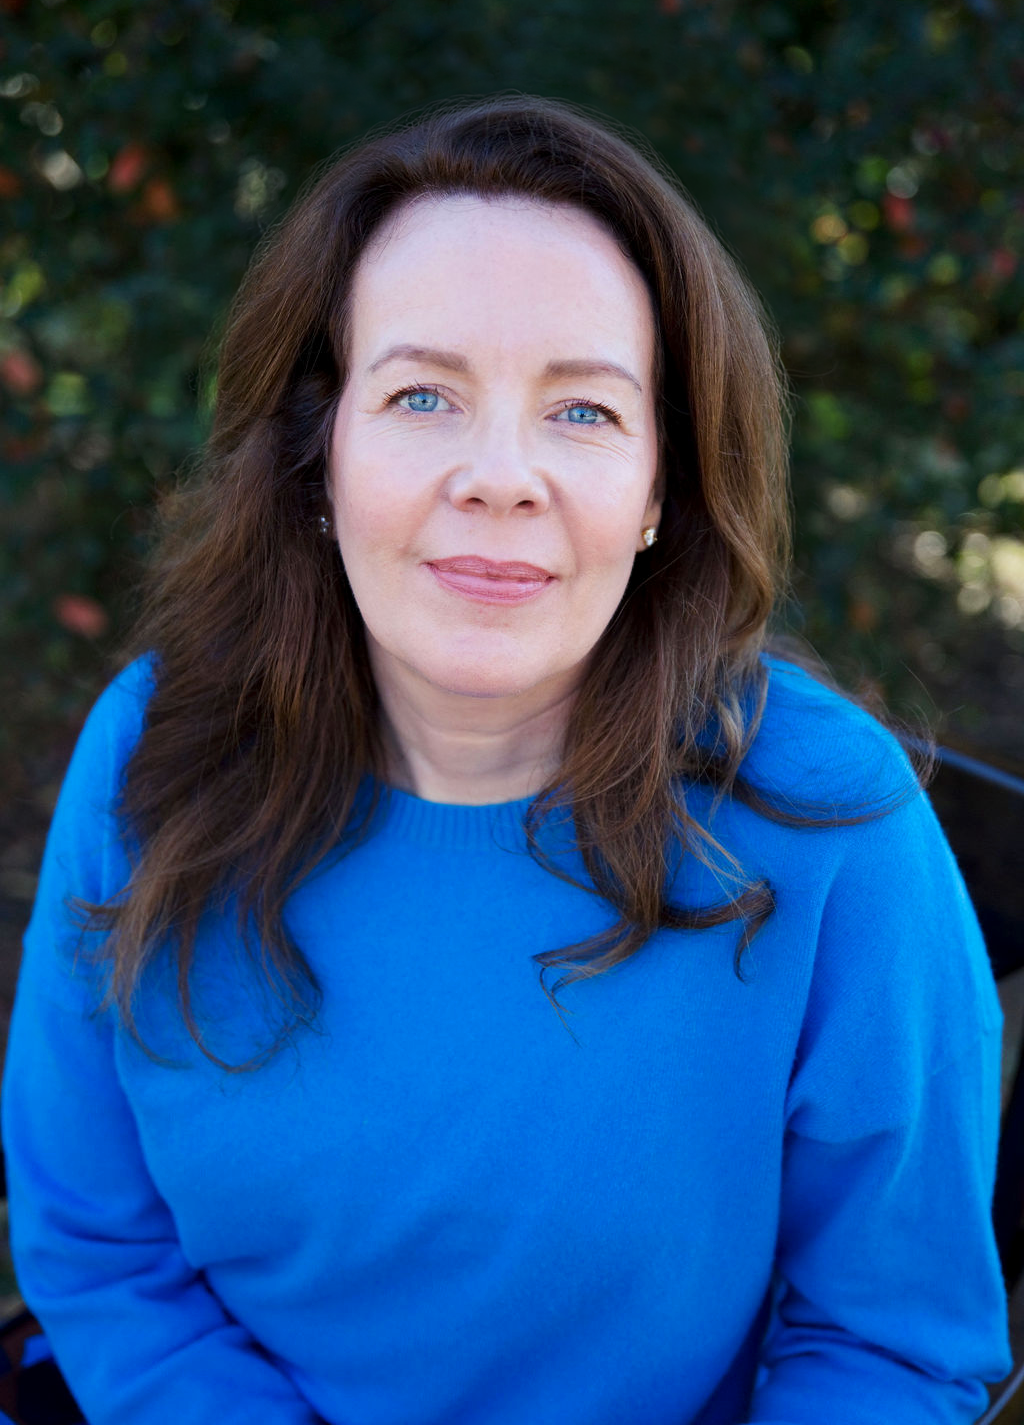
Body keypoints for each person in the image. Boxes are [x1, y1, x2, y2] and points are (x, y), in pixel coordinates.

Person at [1, 95, 1011, 1425]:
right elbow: (102, 1246)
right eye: (423, 395)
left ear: (663, 486)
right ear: (322, 449)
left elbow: (891, 1340)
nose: (500, 475)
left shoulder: (833, 820)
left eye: (583, 413)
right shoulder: (155, 745)